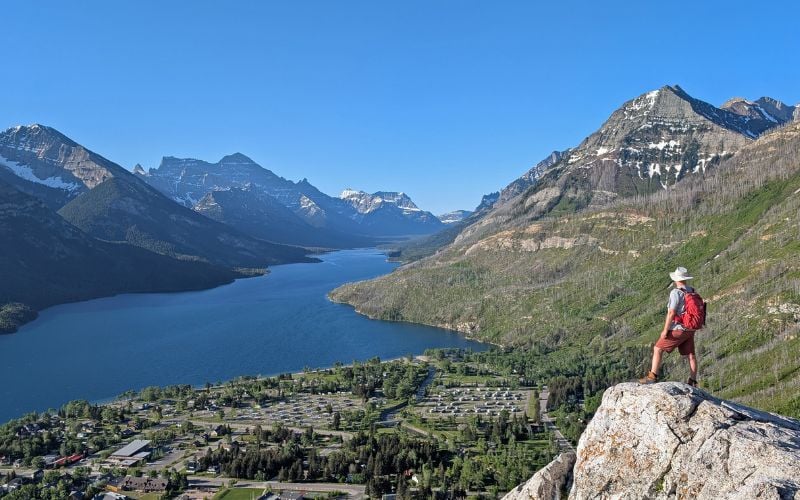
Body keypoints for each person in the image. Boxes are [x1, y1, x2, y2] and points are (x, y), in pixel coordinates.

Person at [639, 267, 698, 387]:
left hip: (678, 328)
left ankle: (652, 376)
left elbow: (671, 313)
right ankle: (693, 381)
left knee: (657, 349)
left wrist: (665, 330)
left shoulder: (676, 292)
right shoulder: (692, 291)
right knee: (691, 355)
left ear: (676, 279)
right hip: (690, 329)